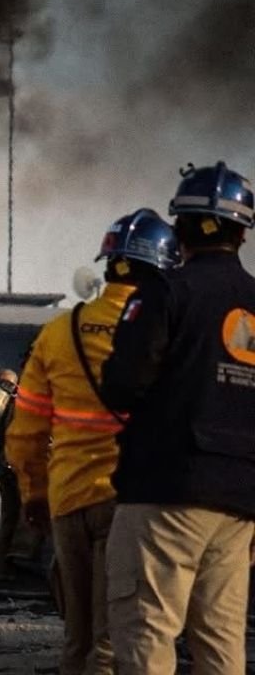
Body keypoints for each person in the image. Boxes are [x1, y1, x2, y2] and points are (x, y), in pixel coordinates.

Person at [6, 209, 180, 675]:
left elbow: (25, 431)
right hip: (128, 501)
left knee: (76, 637)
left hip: (67, 499)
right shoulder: (161, 329)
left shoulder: (58, 332)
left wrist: (34, 493)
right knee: (109, 642)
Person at [101, 162, 255, 675]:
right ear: (241, 233)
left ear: (182, 228)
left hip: (164, 493)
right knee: (221, 643)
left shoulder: (166, 292)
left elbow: (123, 383)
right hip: (239, 502)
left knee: (147, 631)